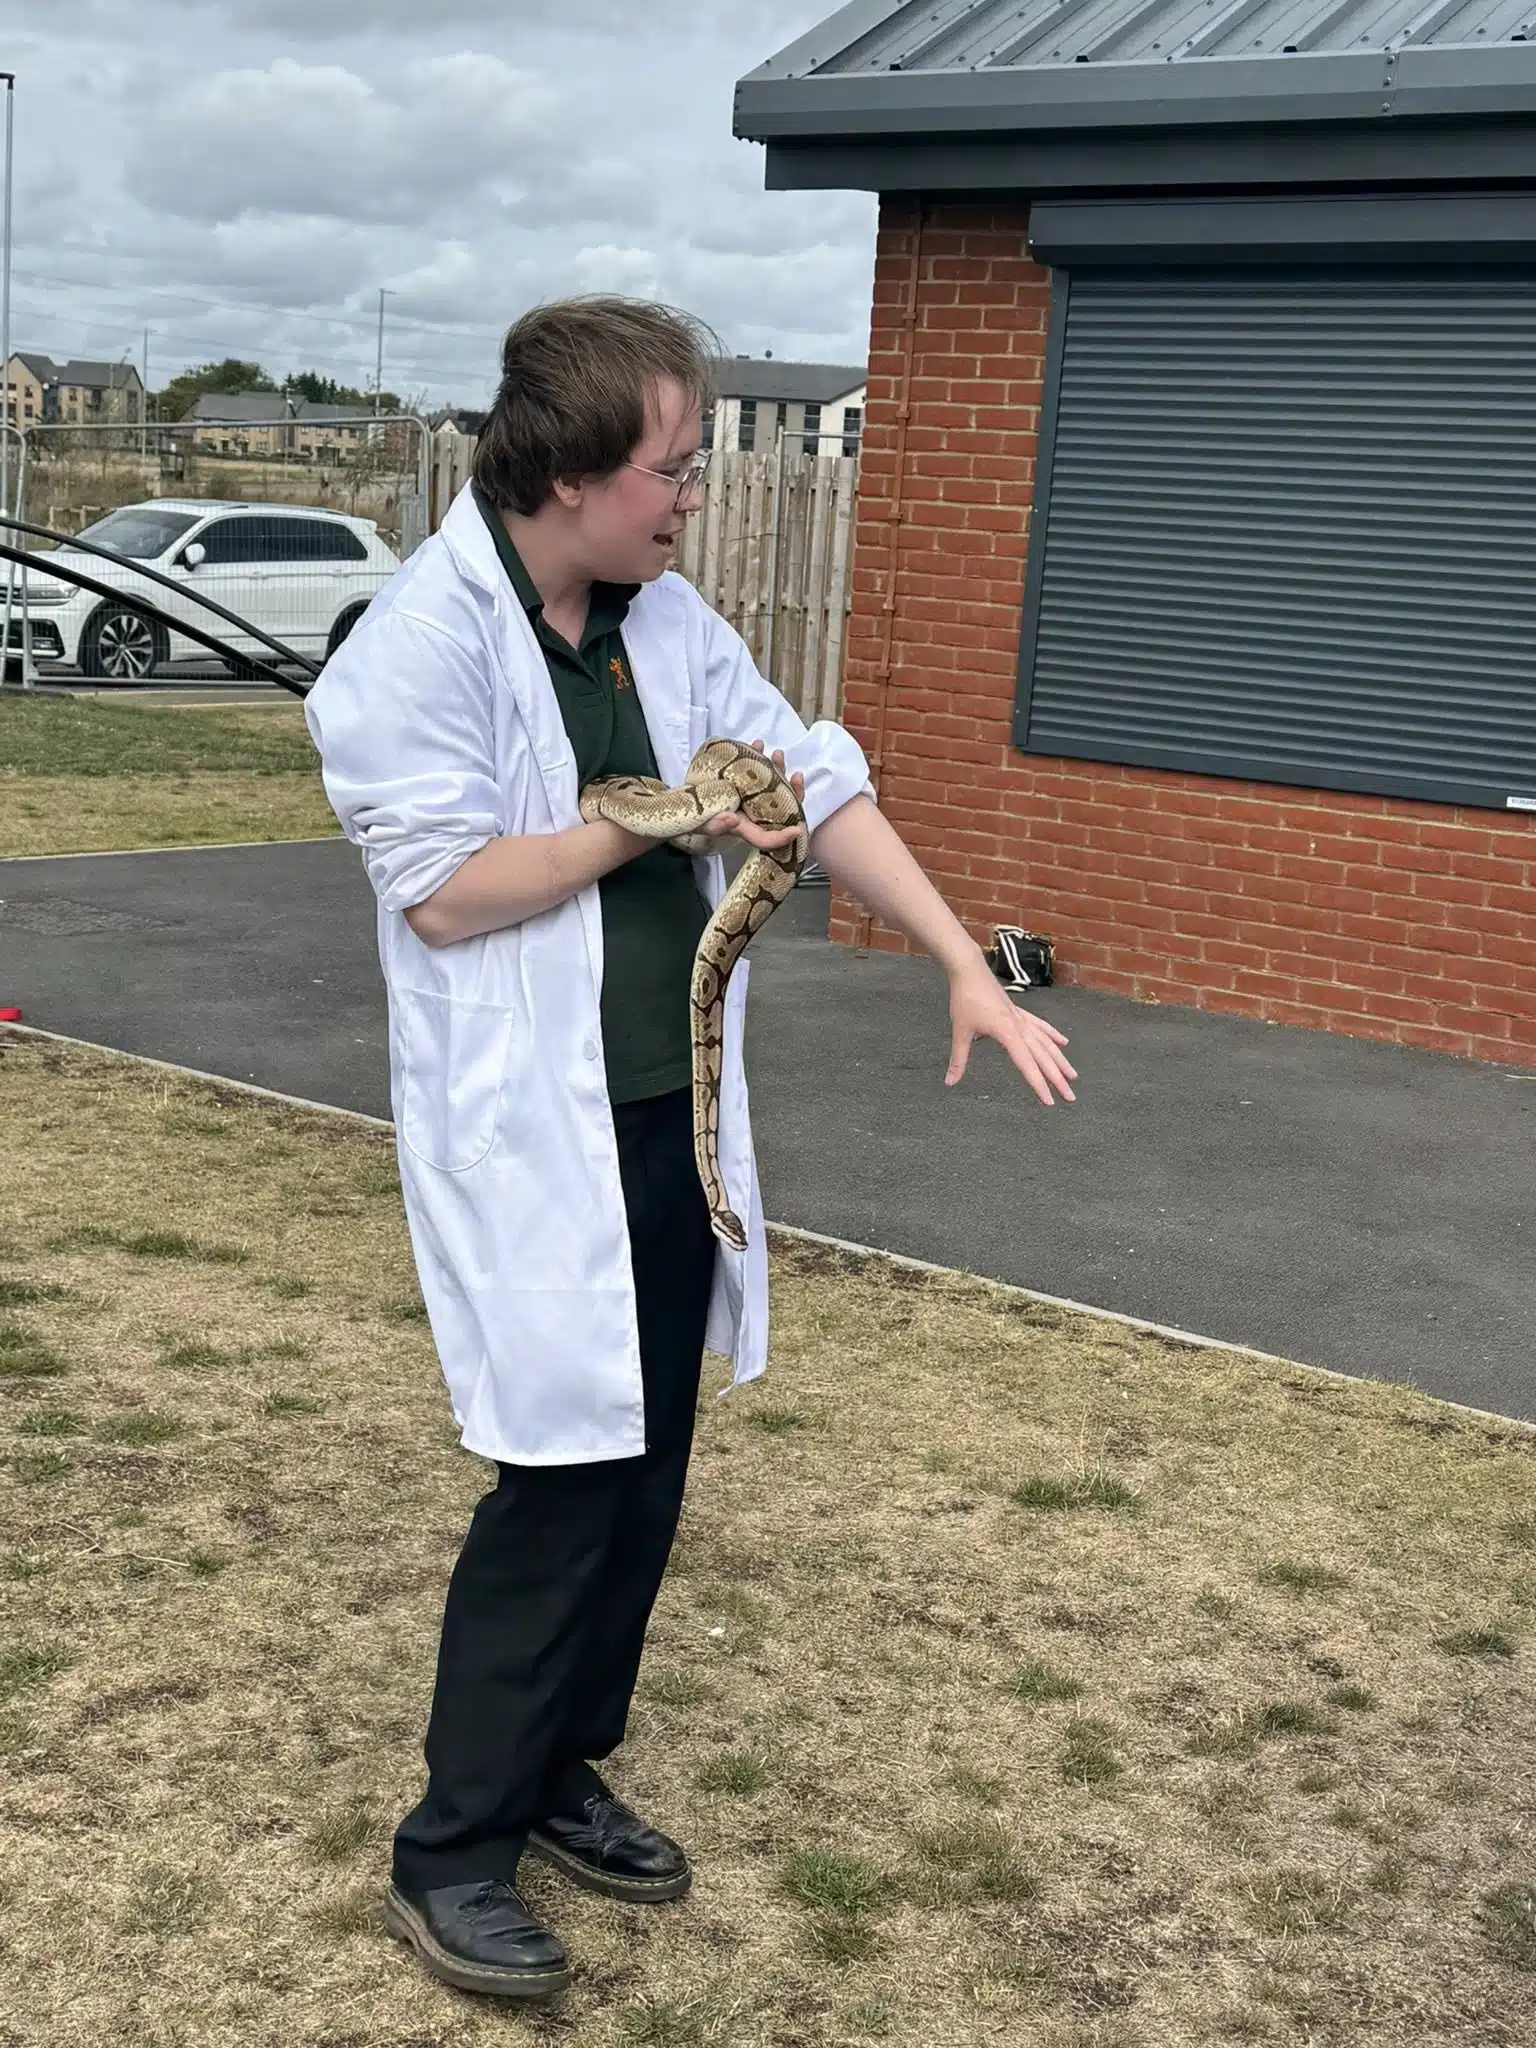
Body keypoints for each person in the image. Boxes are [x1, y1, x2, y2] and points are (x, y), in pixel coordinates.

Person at [303, 295, 1077, 2002]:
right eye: (671, 466)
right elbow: (441, 895)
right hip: (530, 1138)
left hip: (671, 1117)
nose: (693, 496)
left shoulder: (659, 620)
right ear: (572, 472)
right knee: (560, 1482)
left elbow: (813, 772)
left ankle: (566, 1769)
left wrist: (959, 960)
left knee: (646, 1473)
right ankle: (455, 1849)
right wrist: (629, 822)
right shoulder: (417, 649)